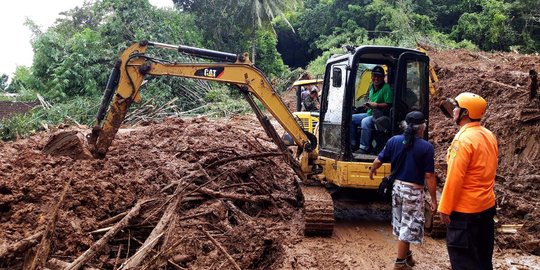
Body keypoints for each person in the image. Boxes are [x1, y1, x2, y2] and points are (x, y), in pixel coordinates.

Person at [369, 111, 437, 270]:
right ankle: (400, 262)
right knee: (409, 225)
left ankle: (407, 256)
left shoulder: (394, 140)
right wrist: (433, 199)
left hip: (397, 188)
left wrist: (373, 170)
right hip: (413, 191)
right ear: (422, 127)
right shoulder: (426, 147)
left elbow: (378, 160)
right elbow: (429, 176)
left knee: (401, 223)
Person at [437, 92, 498, 270]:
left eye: (457, 107)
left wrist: (445, 208)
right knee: (482, 260)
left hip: (465, 213)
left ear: (465, 113)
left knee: (464, 262)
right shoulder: (489, 135)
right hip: (486, 207)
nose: (453, 110)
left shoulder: (463, 141)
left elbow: (455, 178)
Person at [352, 66, 393, 154]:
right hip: (370, 112)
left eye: (379, 76)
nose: (376, 78)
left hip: (380, 115)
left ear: (383, 77)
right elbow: (372, 100)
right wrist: (368, 105)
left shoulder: (386, 88)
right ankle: (352, 143)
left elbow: (389, 104)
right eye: (374, 76)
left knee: (365, 122)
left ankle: (364, 148)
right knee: (352, 118)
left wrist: (377, 105)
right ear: (371, 76)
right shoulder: (372, 87)